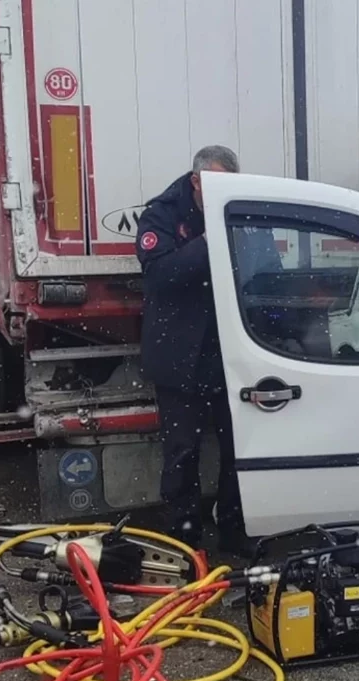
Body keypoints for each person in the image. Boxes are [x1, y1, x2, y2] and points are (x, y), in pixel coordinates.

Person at [136, 145, 255, 555]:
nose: (223, 192)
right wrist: (208, 241)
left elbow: (260, 269)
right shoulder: (162, 215)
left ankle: (235, 529)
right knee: (182, 453)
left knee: (238, 450)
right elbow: (159, 274)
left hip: (229, 354)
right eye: (215, 184)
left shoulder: (239, 210)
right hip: (179, 355)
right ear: (196, 181)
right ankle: (184, 540)